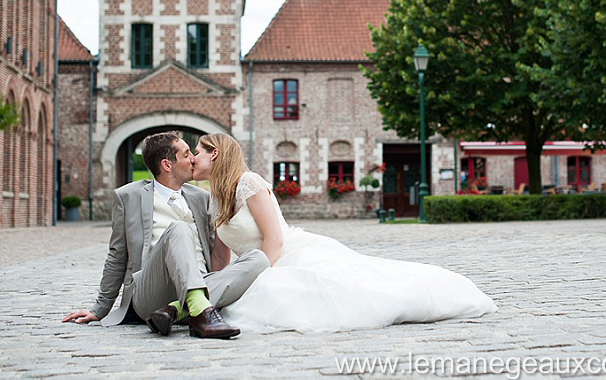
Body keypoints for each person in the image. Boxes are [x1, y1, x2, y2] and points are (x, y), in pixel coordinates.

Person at [191, 133, 497, 332]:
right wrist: (220, 287)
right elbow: (221, 254)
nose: (193, 158)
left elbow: (275, 238)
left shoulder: (249, 182)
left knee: (352, 290)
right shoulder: (215, 196)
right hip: (252, 264)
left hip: (282, 255)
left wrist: (255, 275)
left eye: (197, 152)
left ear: (215, 153)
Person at [62, 132, 268, 338]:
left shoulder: (202, 198)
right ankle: (197, 307)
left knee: (258, 258)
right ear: (167, 165)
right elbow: (117, 255)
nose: (193, 159)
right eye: (187, 154)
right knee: (179, 228)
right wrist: (100, 309)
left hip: (202, 281)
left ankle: (177, 309)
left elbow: (216, 254)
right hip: (151, 290)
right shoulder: (128, 196)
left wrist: (220, 278)